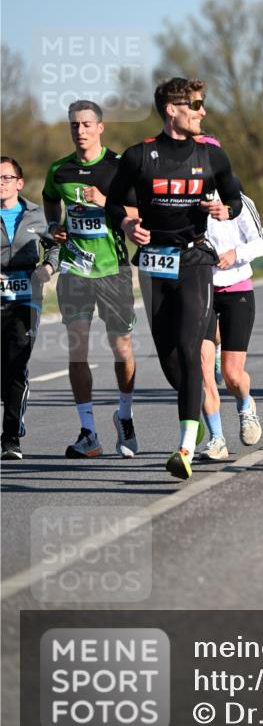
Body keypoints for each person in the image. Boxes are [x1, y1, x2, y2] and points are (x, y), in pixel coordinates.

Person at [107, 77, 242, 479]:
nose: (202, 112)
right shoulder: (138, 156)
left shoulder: (211, 157)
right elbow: (114, 204)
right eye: (195, 104)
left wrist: (225, 211)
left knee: (188, 349)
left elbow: (234, 197)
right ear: (172, 110)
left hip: (195, 259)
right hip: (153, 262)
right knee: (171, 363)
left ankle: (184, 447)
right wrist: (129, 227)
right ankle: (198, 416)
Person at [42, 101, 138, 459]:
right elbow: (51, 200)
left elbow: (140, 212)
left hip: (113, 269)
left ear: (100, 127)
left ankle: (125, 416)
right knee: (77, 345)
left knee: (122, 346)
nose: (79, 131)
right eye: (73, 125)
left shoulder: (119, 168)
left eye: (85, 124)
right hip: (75, 271)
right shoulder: (59, 170)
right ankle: (89, 433)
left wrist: (106, 202)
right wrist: (54, 226)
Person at [195, 133, 263, 461]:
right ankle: (217, 438)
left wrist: (235, 253)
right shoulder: (184, 202)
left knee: (231, 374)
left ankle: (245, 404)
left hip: (237, 289)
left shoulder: (239, 200)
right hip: (199, 292)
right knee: (201, 370)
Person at [1, 157, 59, 459]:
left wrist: (49, 266)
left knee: (15, 365)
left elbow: (56, 244)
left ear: (19, 183)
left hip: (26, 298)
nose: (1, 183)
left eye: (7, 178)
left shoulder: (36, 216)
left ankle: (10, 437)